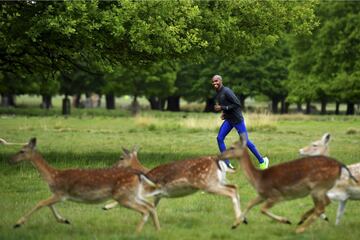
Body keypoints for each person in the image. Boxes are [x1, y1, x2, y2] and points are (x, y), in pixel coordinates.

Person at [212, 74, 269, 171]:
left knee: (245, 141)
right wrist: (224, 113)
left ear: (221, 81)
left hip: (237, 120)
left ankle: (262, 161)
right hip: (229, 120)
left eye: (216, 81)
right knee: (219, 138)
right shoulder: (218, 93)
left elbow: (237, 104)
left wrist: (223, 108)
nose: (215, 83)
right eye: (213, 81)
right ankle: (227, 164)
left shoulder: (227, 91)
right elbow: (227, 105)